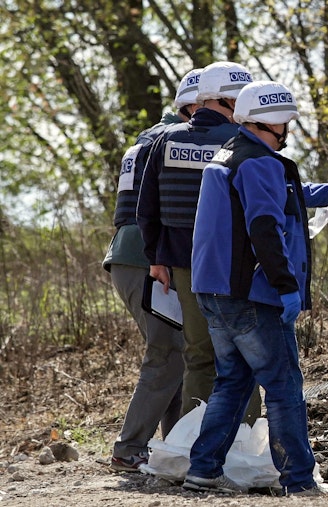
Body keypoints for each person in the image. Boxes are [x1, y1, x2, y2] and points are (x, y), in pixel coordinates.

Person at [181, 80, 328, 495]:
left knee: (233, 382)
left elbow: (272, 196)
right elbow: (263, 225)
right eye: (286, 125)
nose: (288, 133)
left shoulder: (231, 156)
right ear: (271, 123)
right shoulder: (259, 162)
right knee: (282, 386)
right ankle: (298, 480)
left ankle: (203, 469)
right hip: (251, 295)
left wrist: (325, 193)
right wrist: (285, 284)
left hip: (213, 291)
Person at [136, 61, 263, 425]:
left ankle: (191, 442)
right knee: (242, 352)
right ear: (224, 101)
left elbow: (147, 209)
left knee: (198, 355)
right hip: (231, 264)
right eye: (241, 102)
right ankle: (244, 440)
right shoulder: (239, 143)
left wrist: (155, 258)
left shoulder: (166, 139)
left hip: (182, 264)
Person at [103, 68, 201, 472]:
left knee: (174, 352)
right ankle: (129, 449)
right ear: (192, 107)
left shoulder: (148, 136)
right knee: (166, 355)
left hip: (129, 259)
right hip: (148, 261)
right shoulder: (172, 140)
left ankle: (173, 444)